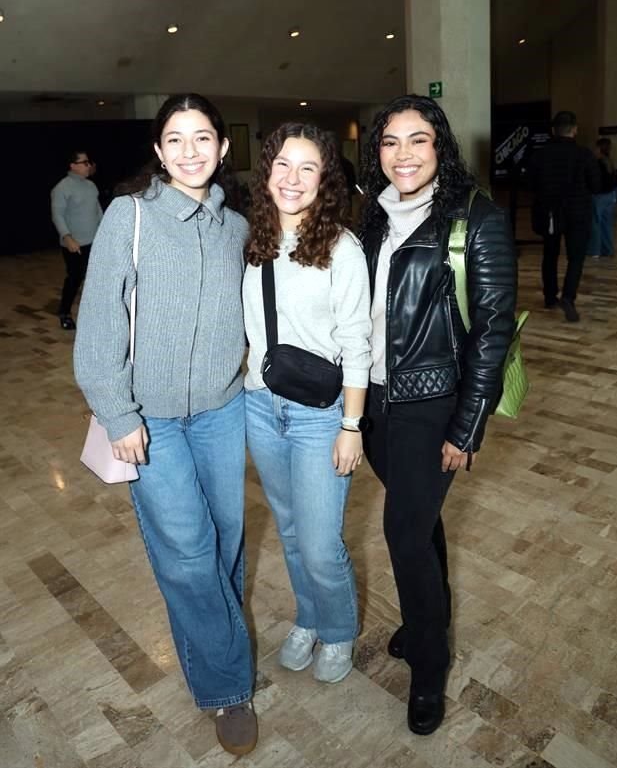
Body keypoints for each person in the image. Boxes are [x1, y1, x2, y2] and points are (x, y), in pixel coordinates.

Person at [74, 94, 257, 757]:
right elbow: (97, 323)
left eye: (202, 137)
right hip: (150, 421)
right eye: (175, 139)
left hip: (221, 409)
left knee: (226, 541)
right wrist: (119, 412)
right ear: (157, 150)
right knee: (187, 551)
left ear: (222, 146)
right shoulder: (130, 216)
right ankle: (228, 685)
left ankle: (219, 645)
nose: (189, 151)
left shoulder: (234, 225)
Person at [359, 94, 517, 736]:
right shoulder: (370, 216)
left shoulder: (475, 219)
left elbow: (492, 329)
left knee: (402, 535)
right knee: (417, 523)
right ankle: (428, 619)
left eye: (418, 140)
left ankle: (430, 665)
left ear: (440, 147)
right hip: (374, 403)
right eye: (390, 142)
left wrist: (467, 425)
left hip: (433, 406)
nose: (404, 154)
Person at [243, 123, 371, 684]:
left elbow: (357, 342)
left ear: (326, 180)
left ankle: (339, 630)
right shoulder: (252, 241)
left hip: (321, 415)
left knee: (321, 542)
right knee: (291, 530)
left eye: (308, 168)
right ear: (266, 171)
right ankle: (309, 616)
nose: (292, 179)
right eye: (282, 165)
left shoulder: (342, 247)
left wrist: (352, 424)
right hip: (260, 405)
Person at [528, 111, 600, 322]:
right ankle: (568, 296)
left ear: (553, 130)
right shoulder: (584, 154)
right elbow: (596, 186)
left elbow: (530, 184)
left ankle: (550, 296)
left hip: (549, 213)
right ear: (575, 130)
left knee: (549, 254)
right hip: (578, 214)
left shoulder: (539, 155)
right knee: (575, 258)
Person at [51, 150, 102, 330]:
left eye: (89, 162)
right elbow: (57, 215)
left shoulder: (90, 186)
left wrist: (104, 234)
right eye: (84, 162)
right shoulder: (62, 188)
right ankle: (64, 312)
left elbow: (98, 212)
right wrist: (68, 238)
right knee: (74, 278)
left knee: (95, 278)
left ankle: (92, 313)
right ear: (73, 166)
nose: (89, 165)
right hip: (75, 244)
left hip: (93, 241)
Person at [587, 137, 617, 258]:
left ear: (599, 148)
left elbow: (595, 181)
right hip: (610, 196)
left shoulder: (597, 163)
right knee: (607, 224)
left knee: (595, 223)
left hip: (599, 196)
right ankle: (608, 250)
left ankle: (594, 250)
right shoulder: (609, 162)